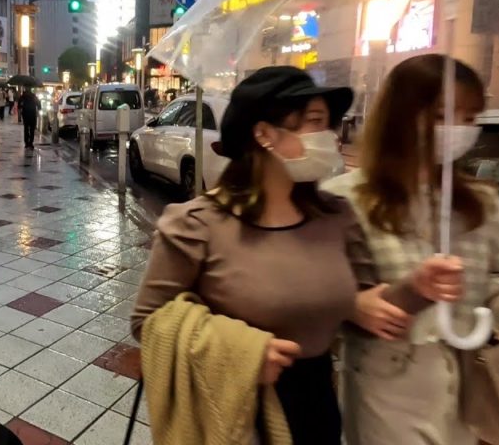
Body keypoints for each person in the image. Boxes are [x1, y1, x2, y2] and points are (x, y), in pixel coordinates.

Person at [323, 54, 499, 445]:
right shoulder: (344, 199)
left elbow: (498, 291)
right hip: (385, 376)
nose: (458, 129)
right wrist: (352, 306)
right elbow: (316, 296)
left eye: (470, 118)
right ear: (401, 117)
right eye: (444, 115)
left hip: (466, 374)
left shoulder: (481, 201)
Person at [132, 66, 358, 444]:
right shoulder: (196, 224)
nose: (329, 136)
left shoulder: (337, 217)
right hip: (233, 418)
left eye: (328, 123)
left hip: (319, 410)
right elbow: (147, 321)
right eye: (314, 122)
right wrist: (243, 353)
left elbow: (360, 303)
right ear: (265, 134)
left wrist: (409, 289)